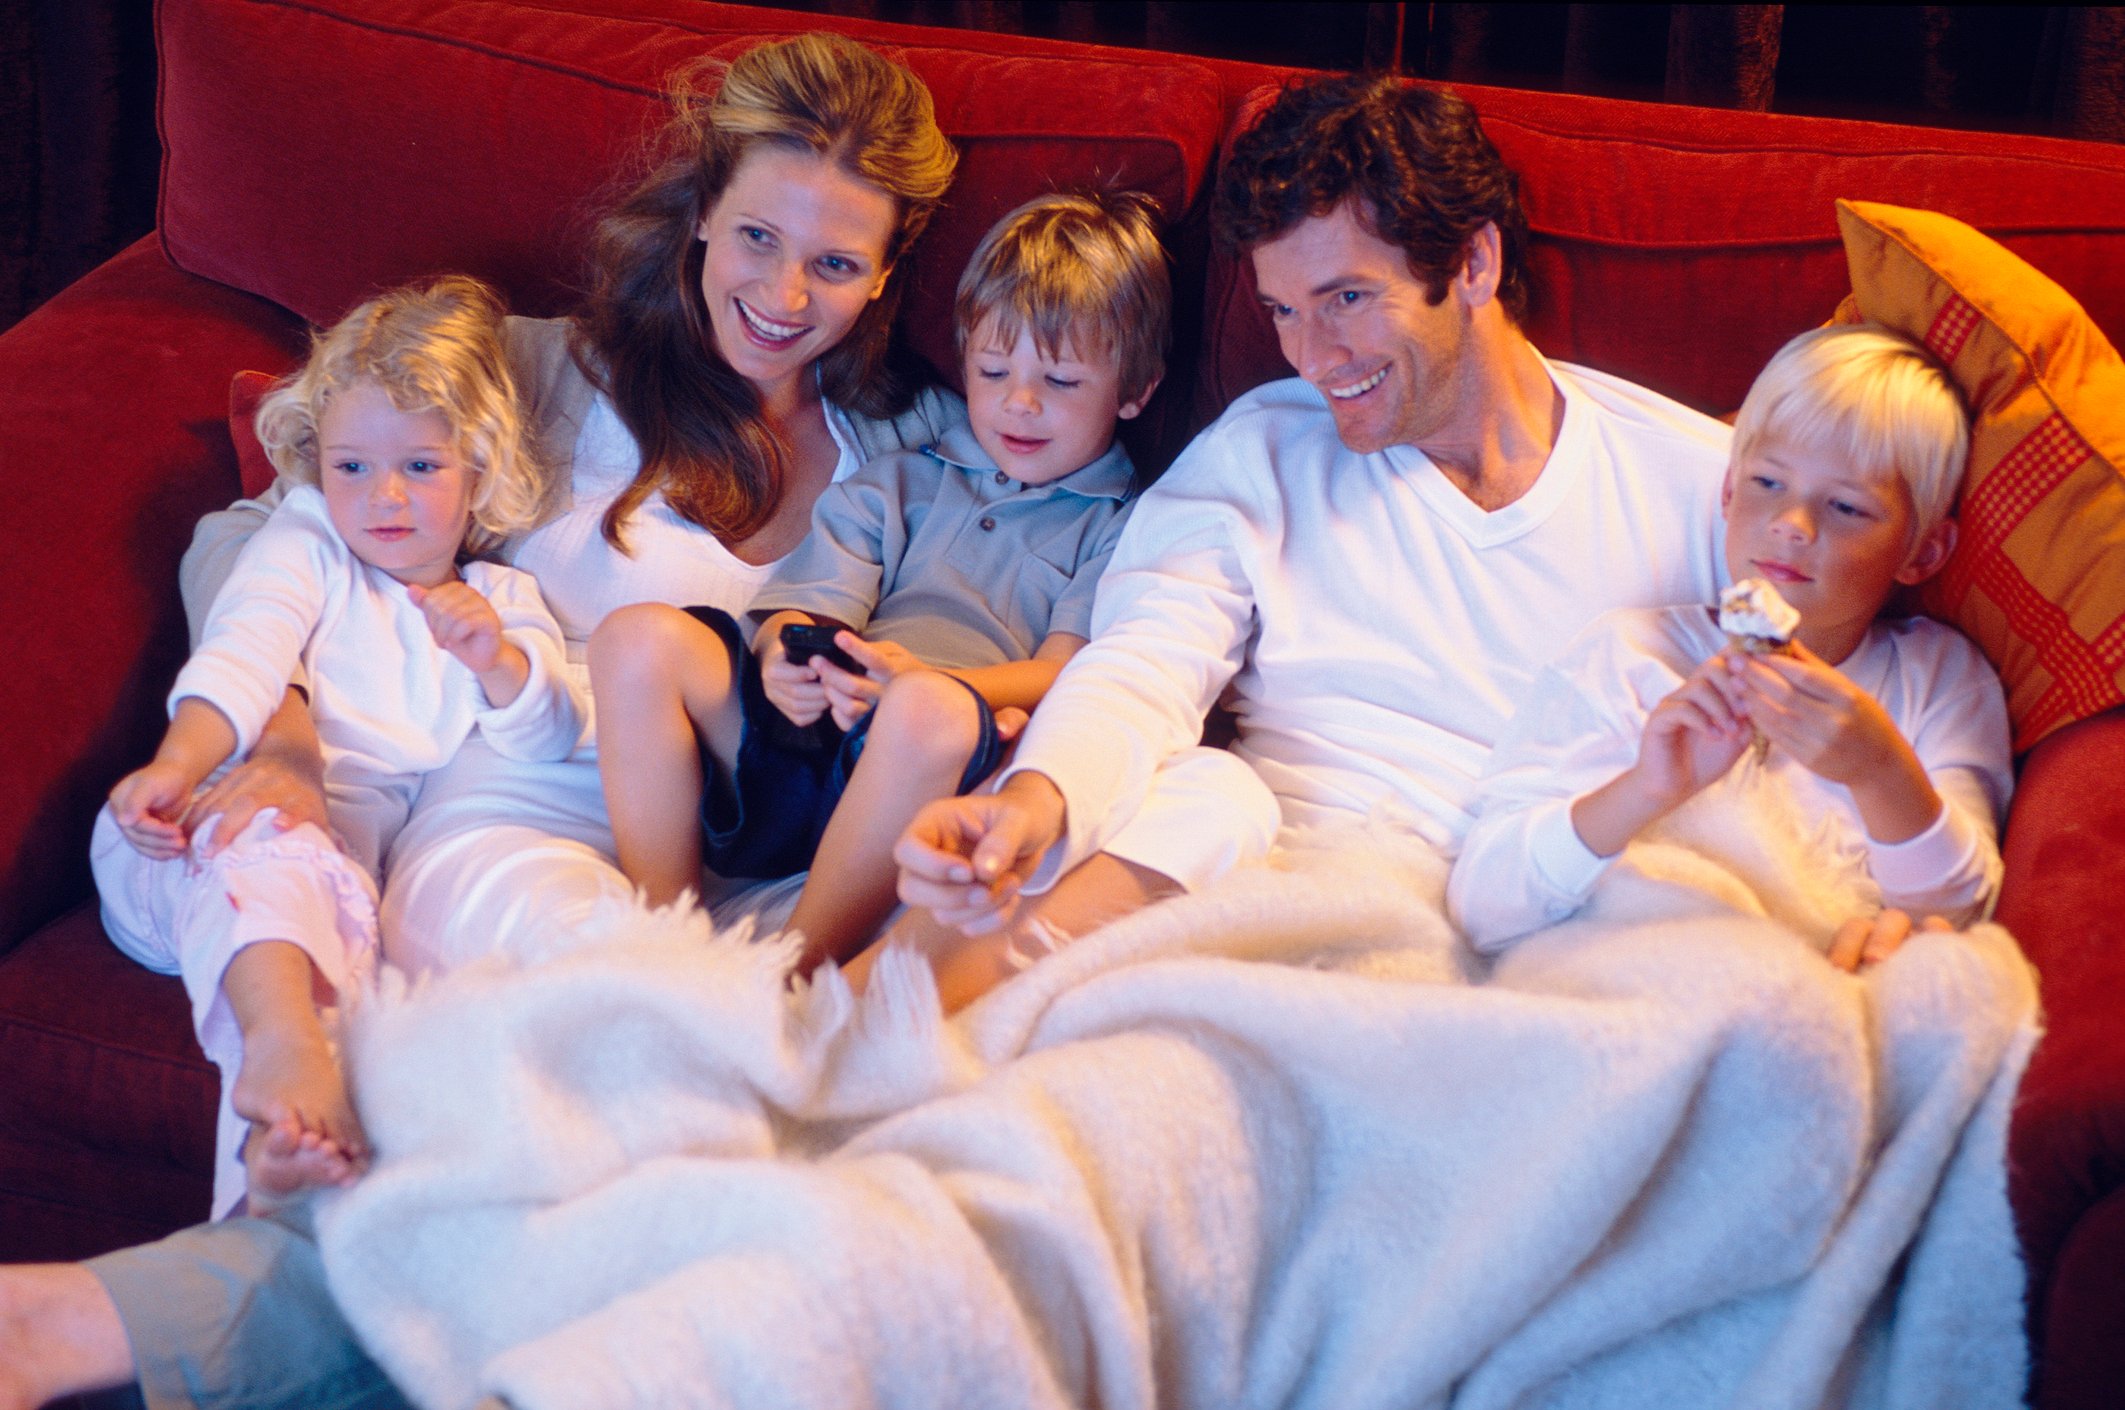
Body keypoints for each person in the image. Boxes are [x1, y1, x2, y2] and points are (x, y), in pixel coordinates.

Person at [0, 32, 962, 1410]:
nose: (782, 291)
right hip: (514, 806)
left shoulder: (906, 451)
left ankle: (116, 1327)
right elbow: (265, 527)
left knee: (779, 1113)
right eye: (756, 235)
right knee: (629, 1049)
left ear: (885, 273)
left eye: (834, 261)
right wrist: (278, 731)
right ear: (701, 214)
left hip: (750, 864)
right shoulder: (548, 372)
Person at [889, 73, 1733, 1009]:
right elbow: (1141, 666)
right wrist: (1032, 801)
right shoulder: (1261, 449)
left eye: (1345, 299)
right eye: (1283, 311)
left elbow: (1844, 700)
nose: (1310, 358)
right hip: (1264, 899)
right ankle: (872, 1035)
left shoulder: (1704, 486)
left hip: (1537, 929)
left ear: (1473, 266)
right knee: (1206, 794)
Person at [91, 275, 581, 1218]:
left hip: (330, 900)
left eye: (421, 468)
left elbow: (552, 733)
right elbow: (246, 648)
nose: (380, 497)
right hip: (188, 840)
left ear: (479, 470)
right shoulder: (308, 540)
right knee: (278, 852)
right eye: (352, 466)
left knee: (345, 1019)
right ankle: (283, 1044)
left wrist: (498, 665)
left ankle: (265, 1187)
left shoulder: (504, 607)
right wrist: (178, 767)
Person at [591, 191, 1166, 974]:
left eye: (1061, 383)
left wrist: (928, 680)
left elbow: (1070, 669)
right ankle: (661, 932)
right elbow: (809, 604)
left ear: (1134, 391)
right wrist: (785, 661)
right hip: (807, 742)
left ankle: (799, 968)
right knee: (637, 638)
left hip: (930, 766)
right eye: (993, 371)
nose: (1019, 403)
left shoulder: (1122, 525)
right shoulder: (904, 480)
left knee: (927, 710)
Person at [1449, 324, 2009, 963]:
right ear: (1727, 492)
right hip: (1630, 971)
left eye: (1846, 508)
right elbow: (1481, 907)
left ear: (1922, 551)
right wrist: (1645, 790)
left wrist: (1879, 770)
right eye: (1768, 483)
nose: (1792, 525)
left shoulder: (1939, 679)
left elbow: (1962, 913)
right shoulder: (1632, 655)